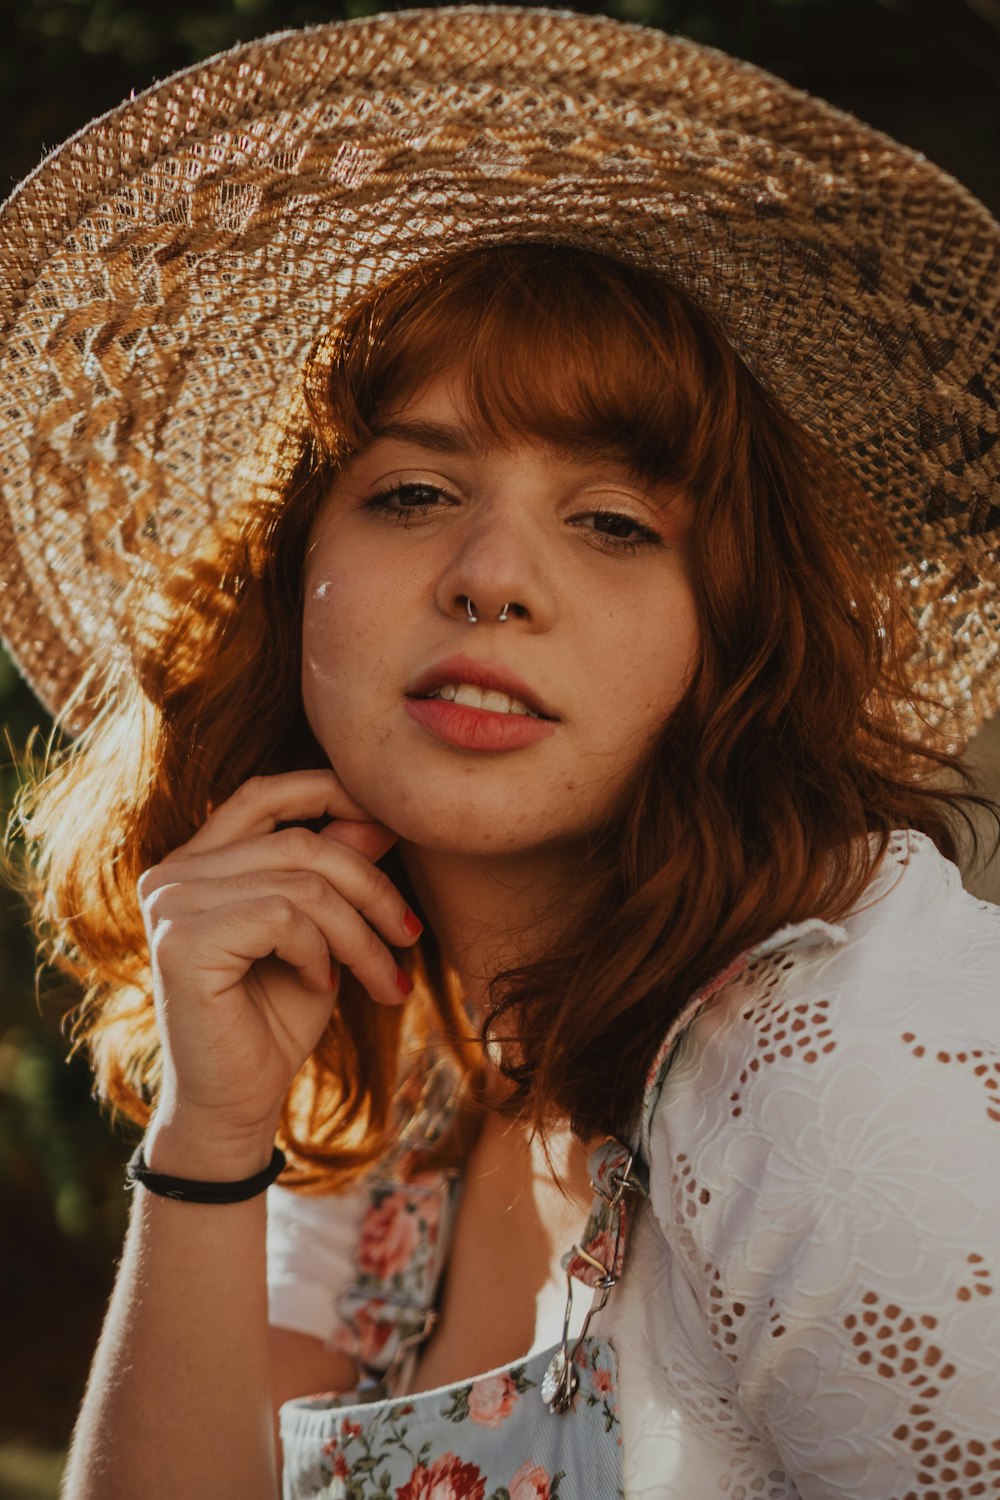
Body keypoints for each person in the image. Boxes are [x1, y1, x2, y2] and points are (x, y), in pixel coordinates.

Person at [1, 8, 999, 1499]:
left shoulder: (844, 1063)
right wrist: (210, 1140)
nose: (490, 575)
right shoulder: (407, 1078)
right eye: (409, 492)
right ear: (287, 584)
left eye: (614, 523)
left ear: (732, 635)